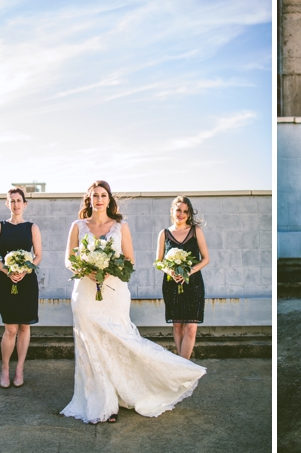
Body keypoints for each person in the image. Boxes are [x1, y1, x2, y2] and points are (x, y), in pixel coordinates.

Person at [61, 180, 206, 424]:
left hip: (114, 293)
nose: (99, 199)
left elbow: (130, 260)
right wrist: (85, 269)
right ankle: (103, 400)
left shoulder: (120, 226)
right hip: (85, 293)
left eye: (103, 195)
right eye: (94, 195)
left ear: (109, 199)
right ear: (89, 199)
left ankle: (161, 376)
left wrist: (108, 270)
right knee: (90, 346)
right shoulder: (77, 226)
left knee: (119, 341)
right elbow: (68, 260)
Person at [0, 187, 42, 389]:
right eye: (12, 201)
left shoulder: (32, 227)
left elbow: (38, 256)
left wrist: (25, 271)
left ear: (25, 204)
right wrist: (8, 271)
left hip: (27, 280)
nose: (16, 204)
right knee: (10, 328)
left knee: (24, 326)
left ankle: (19, 368)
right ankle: (4, 368)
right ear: (7, 204)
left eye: (19, 200)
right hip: (4, 279)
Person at [156, 196, 209, 360]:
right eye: (179, 210)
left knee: (191, 327)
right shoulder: (164, 234)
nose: (182, 214)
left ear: (189, 213)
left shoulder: (196, 231)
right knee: (177, 326)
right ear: (172, 211)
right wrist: (171, 272)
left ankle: (183, 369)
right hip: (172, 284)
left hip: (193, 284)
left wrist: (188, 272)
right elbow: (159, 262)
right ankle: (180, 368)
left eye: (186, 211)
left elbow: (206, 258)